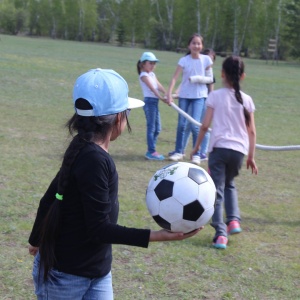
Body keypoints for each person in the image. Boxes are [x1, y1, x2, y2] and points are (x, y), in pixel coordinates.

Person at [28, 68, 201, 299]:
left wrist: (35, 238)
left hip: (97, 272)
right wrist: (160, 236)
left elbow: (51, 197)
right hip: (66, 276)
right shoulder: (94, 160)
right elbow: (98, 228)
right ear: (119, 117)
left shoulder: (81, 146)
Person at [190, 56, 258, 249]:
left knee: (216, 191)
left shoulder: (215, 96)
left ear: (222, 74)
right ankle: (234, 221)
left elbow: (204, 126)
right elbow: (251, 130)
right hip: (238, 152)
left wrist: (196, 148)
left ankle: (220, 234)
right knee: (229, 185)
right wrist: (251, 156)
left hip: (219, 150)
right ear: (242, 76)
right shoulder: (247, 100)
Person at [166, 34, 213, 165]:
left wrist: (199, 80)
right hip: (184, 96)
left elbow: (210, 79)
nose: (196, 46)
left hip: (199, 96)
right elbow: (175, 77)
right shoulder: (183, 60)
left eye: (198, 43)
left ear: (202, 46)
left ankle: (196, 154)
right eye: (194, 43)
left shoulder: (206, 60)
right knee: (181, 125)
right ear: (189, 45)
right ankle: (178, 152)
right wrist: (169, 93)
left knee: (195, 125)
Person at [137, 52, 166, 160]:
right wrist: (161, 98)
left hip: (155, 102)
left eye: (154, 63)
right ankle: (151, 151)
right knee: (152, 128)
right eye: (151, 63)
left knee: (157, 128)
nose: (153, 65)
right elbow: (152, 89)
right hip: (149, 103)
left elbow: (158, 86)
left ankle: (151, 150)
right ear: (143, 64)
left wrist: (166, 93)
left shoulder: (152, 75)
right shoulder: (144, 75)